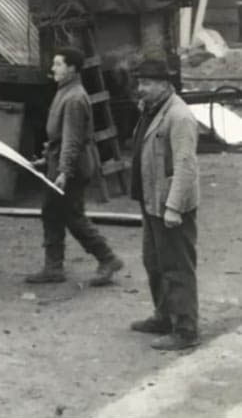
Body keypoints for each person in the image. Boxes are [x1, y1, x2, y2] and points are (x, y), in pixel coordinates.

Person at [26, 46, 124, 286]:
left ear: (72, 68)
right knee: (53, 212)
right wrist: (46, 159)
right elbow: (59, 138)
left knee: (72, 215)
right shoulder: (65, 92)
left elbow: (71, 139)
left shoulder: (74, 98)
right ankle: (54, 267)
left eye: (58, 64)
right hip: (61, 162)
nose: (53, 68)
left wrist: (63, 171)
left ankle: (107, 258)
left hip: (73, 165)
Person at [129, 57, 200, 351]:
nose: (140, 89)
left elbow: (186, 166)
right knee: (154, 262)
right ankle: (164, 316)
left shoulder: (179, 116)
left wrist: (173, 207)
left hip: (170, 205)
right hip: (152, 200)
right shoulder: (152, 110)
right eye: (139, 83)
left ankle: (185, 329)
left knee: (177, 267)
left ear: (164, 85)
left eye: (147, 83)